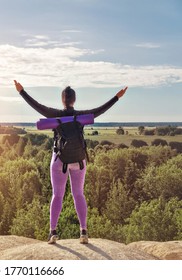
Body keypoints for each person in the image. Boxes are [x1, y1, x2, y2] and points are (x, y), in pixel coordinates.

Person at [14, 80, 127, 244]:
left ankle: (52, 232)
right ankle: (83, 232)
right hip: (79, 160)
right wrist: (117, 97)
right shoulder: (81, 116)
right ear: (74, 100)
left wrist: (21, 91)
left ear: (63, 100)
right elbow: (100, 110)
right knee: (79, 194)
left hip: (60, 160)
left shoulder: (55, 115)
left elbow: (36, 106)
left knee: (57, 195)